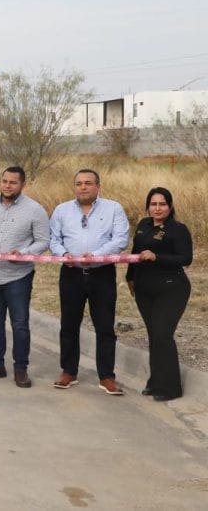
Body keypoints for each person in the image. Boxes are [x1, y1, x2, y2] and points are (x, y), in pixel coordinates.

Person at [49, 169, 130, 395]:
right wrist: (64, 254)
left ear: (98, 186)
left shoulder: (113, 209)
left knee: (105, 327)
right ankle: (68, 372)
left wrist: (96, 255)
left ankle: (106, 376)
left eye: (88, 183)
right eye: (78, 183)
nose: (83, 187)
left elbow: (121, 239)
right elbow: (54, 239)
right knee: (69, 325)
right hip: (71, 275)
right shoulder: (61, 210)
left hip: (101, 274)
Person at [0, 166, 50, 389]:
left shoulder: (35, 210)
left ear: (23, 185)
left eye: (13, 182)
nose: (7, 185)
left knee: (20, 324)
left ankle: (20, 369)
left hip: (18, 276)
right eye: (4, 181)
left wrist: (24, 254)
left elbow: (44, 241)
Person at [126, 187, 192, 401]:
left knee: (163, 334)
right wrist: (130, 277)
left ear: (170, 206)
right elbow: (136, 252)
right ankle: (155, 382)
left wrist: (157, 257)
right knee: (154, 336)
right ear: (148, 206)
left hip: (171, 288)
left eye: (162, 204)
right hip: (145, 289)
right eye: (153, 204)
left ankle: (170, 388)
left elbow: (185, 258)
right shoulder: (144, 225)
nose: (157, 208)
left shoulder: (178, 229)